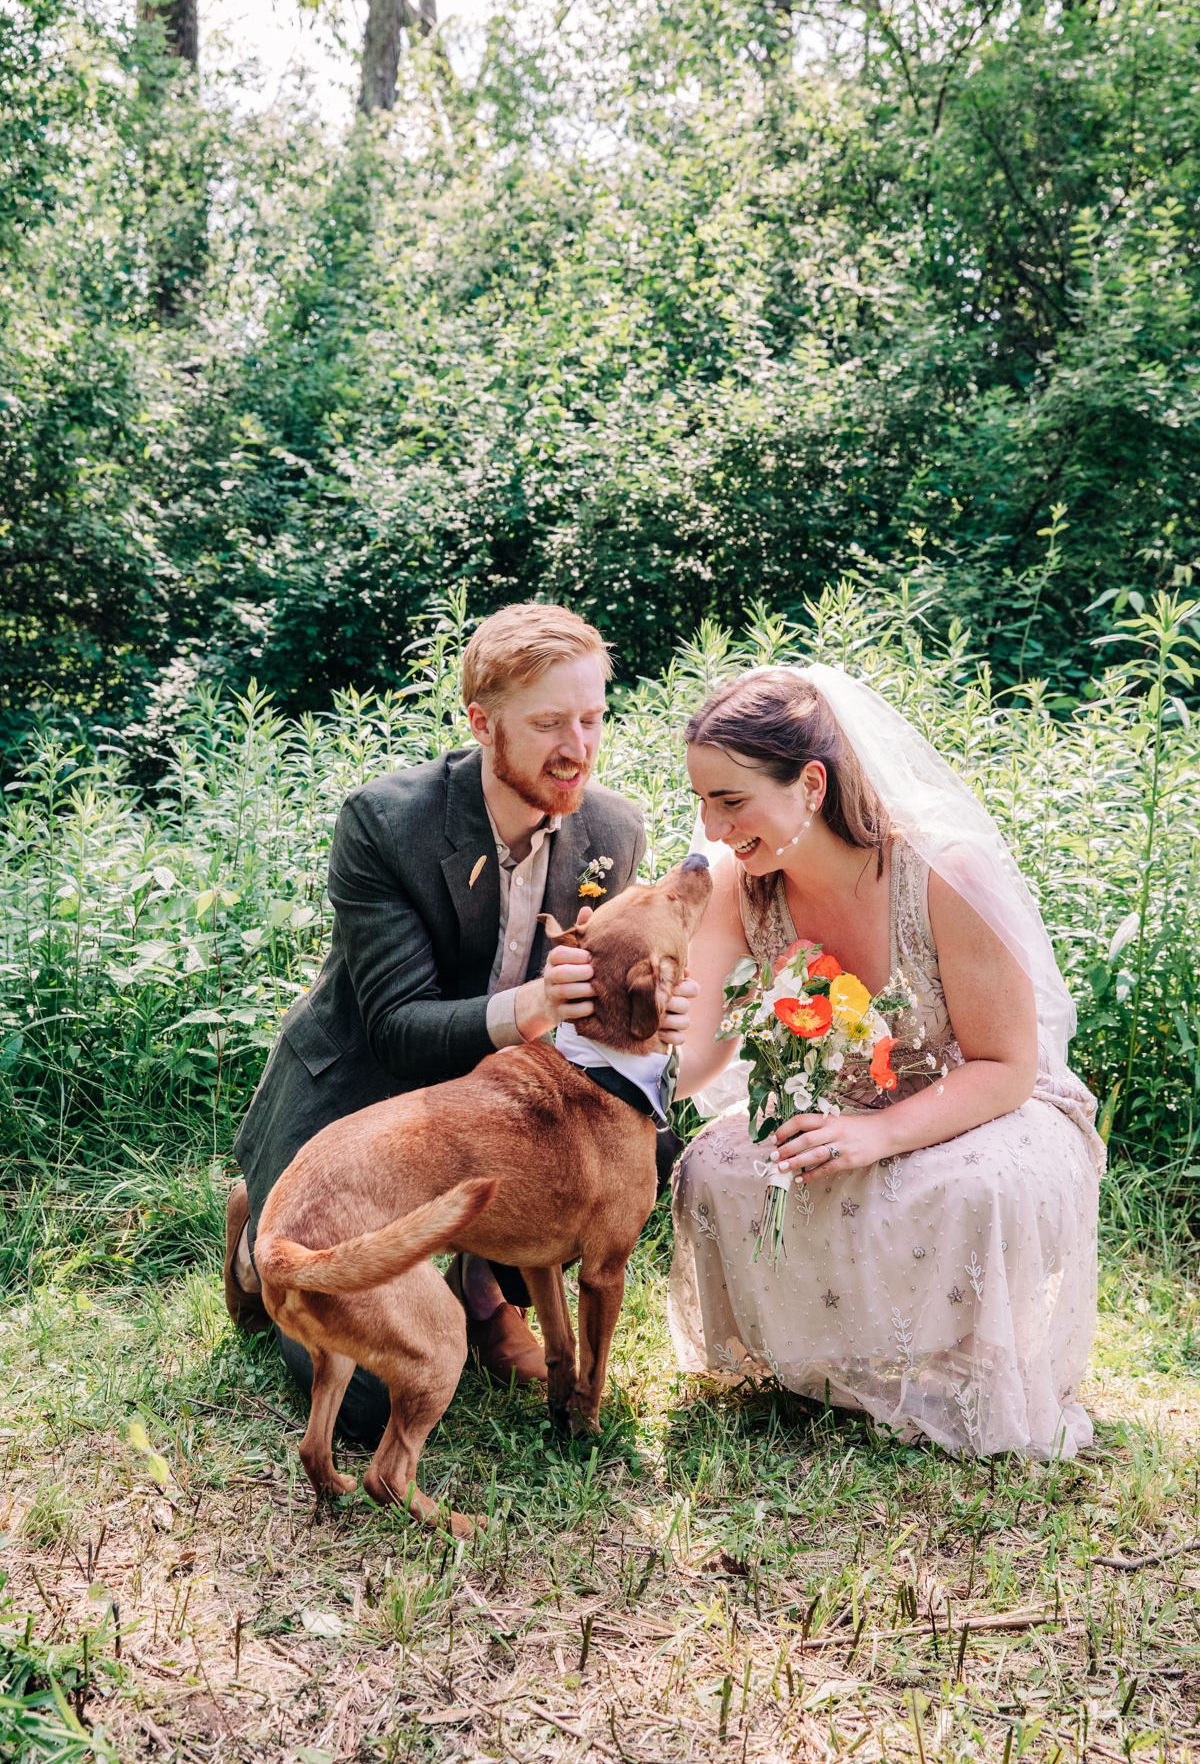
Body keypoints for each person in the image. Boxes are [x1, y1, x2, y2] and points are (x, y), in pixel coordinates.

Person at [224, 602, 691, 1442]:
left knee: (642, 1142)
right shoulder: (384, 822)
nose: (578, 748)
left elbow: (604, 1008)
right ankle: (261, 1209)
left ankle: (486, 1291)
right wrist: (542, 1002)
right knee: (367, 1402)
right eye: (549, 723)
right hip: (366, 1089)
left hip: (496, 1113)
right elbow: (398, 1026)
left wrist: (657, 1018)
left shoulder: (612, 828)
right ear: (481, 722)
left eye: (592, 719)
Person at [668, 665, 1106, 1458]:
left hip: (979, 1103)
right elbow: (696, 1064)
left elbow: (1006, 1065)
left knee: (977, 1185)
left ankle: (966, 1356)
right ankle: (829, 1363)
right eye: (702, 799)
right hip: (840, 1102)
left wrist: (880, 1135)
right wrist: (648, 1033)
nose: (710, 828)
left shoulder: (944, 873)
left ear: (809, 783)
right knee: (717, 1166)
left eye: (729, 801)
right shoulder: (743, 886)